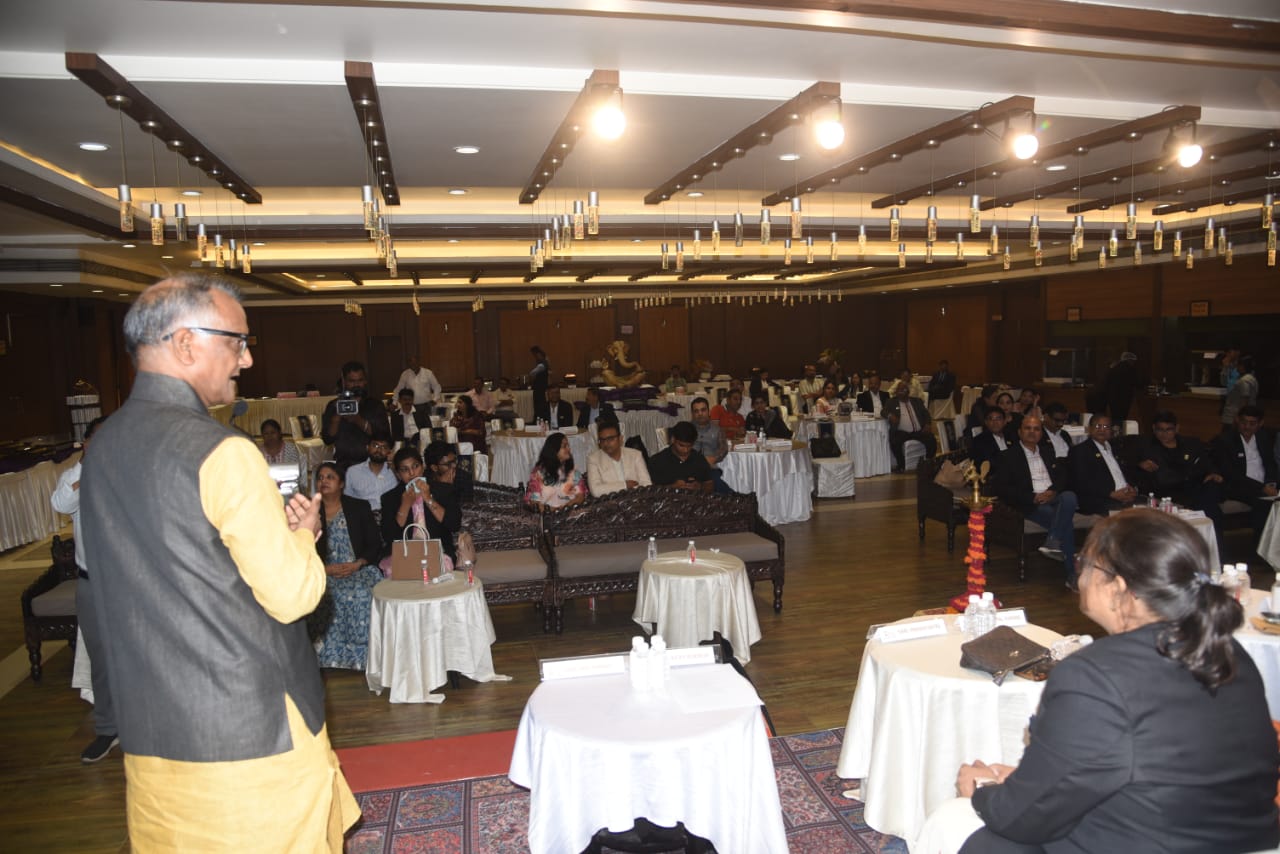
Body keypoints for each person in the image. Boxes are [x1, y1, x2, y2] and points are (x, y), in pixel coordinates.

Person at [79, 274, 358, 850]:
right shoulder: (224, 452)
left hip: (153, 724)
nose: (247, 359)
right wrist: (304, 537)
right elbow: (292, 595)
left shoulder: (104, 445)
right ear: (185, 343)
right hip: (249, 724)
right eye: (237, 341)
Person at [931, 511, 1279, 854]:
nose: (1079, 577)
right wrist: (1028, 784)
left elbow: (1021, 819)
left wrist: (982, 790)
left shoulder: (1093, 676)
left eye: (1085, 564)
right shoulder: (1229, 651)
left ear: (1118, 587)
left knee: (955, 822)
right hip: (1248, 839)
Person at [51, 416, 115, 763]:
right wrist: (86, 469)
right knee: (100, 659)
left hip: (129, 584)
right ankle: (108, 728)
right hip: (91, 582)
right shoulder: (74, 477)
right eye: (98, 439)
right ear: (87, 443)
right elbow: (61, 505)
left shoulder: (128, 471)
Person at [989, 415, 1080, 589]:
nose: (1032, 432)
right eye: (1028, 428)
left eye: (1036, 429)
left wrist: (1052, 491)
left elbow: (1062, 477)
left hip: (1052, 497)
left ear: (1041, 433)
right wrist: (1032, 497)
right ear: (1019, 432)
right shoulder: (1008, 456)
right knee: (1065, 522)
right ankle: (1071, 574)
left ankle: (1052, 540)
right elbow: (1001, 488)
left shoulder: (1048, 452)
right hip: (1031, 502)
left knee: (1069, 496)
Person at [308, 462, 383, 671]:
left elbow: (374, 544)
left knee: (361, 592)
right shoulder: (310, 511)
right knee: (329, 593)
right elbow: (299, 548)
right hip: (323, 570)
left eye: (330, 477)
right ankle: (329, 657)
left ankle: (365, 657)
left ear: (341, 483)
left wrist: (357, 564)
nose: (323, 481)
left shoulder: (358, 507)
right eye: (320, 478)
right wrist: (324, 570)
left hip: (356, 568)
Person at [1135, 410, 1226, 551]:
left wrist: (1213, 473)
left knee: (1211, 491)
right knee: (1210, 508)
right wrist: (1140, 465)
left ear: (1177, 428)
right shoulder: (1146, 446)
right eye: (1160, 430)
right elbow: (1135, 468)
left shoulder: (1191, 444)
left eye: (1169, 430)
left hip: (1195, 486)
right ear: (1153, 429)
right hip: (1169, 490)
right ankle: (1212, 550)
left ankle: (1214, 550)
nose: (1164, 434)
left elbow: (1207, 463)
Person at [381, 443, 461, 565]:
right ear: (398, 474)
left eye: (415, 466)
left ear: (423, 467)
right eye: (405, 470)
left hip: (438, 551)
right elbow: (389, 537)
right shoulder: (390, 498)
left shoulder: (443, 490)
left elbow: (454, 524)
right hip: (404, 553)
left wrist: (428, 499)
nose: (412, 473)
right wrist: (405, 505)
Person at [1212, 404, 1278, 539]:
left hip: (1264, 485)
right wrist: (1261, 488)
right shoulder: (1225, 440)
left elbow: (1270, 464)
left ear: (1260, 423)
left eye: (1252, 423)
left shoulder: (1264, 438)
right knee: (1264, 504)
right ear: (1237, 420)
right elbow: (1231, 474)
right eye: (1243, 422)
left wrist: (1271, 483)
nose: (1247, 427)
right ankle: (1262, 545)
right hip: (1238, 487)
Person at [321, 360, 391, 471]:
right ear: (344, 382)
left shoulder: (375, 405)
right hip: (343, 465)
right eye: (352, 381)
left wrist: (358, 420)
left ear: (365, 381)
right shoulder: (334, 405)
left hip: (371, 465)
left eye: (360, 380)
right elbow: (327, 439)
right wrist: (336, 419)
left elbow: (384, 436)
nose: (357, 385)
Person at [1067, 414, 1137, 516]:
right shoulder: (1080, 451)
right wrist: (1111, 494)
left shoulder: (1117, 448)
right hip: (1100, 500)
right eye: (1098, 426)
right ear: (1090, 429)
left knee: (1151, 509)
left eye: (1106, 427)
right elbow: (1081, 482)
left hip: (1126, 496)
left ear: (1111, 430)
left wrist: (1132, 489)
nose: (1102, 430)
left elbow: (1128, 472)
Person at [586, 420, 651, 496]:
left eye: (610, 439)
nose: (606, 443)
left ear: (620, 439)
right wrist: (625, 485)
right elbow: (596, 491)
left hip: (636, 499)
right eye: (602, 440)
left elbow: (647, 484)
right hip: (610, 502)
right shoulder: (593, 459)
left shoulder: (635, 455)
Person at [524, 432, 588, 509]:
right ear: (554, 450)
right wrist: (552, 511)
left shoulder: (573, 471)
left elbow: (580, 496)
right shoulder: (538, 473)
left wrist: (564, 509)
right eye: (564, 446)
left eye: (568, 445)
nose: (569, 449)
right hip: (545, 513)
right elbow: (534, 502)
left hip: (569, 512)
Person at [647, 421, 714, 492]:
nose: (685, 450)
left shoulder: (699, 459)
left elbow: (710, 485)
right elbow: (650, 490)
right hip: (667, 498)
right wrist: (672, 487)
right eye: (681, 445)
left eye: (690, 446)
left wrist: (700, 487)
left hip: (694, 498)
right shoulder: (657, 461)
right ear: (673, 439)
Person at [342, 432, 397, 519]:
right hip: (362, 517)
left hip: (389, 517)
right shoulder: (353, 472)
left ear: (389, 452)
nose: (379, 450)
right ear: (367, 447)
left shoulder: (395, 472)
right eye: (375, 445)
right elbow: (347, 500)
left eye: (384, 447)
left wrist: (394, 468)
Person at [886, 381, 937, 473]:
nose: (901, 392)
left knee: (931, 440)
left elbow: (926, 414)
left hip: (919, 431)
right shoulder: (891, 402)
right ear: (896, 392)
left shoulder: (917, 401)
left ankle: (928, 463)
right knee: (894, 441)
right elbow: (883, 411)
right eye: (899, 390)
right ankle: (901, 465)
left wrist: (927, 424)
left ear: (908, 392)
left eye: (903, 390)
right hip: (902, 432)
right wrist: (890, 415)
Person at [1090, 351, 1140, 430]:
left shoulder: (1114, 368)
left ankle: (1115, 431)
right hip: (1124, 398)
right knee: (1122, 418)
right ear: (1130, 360)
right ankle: (1120, 432)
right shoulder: (1130, 369)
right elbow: (1137, 382)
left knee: (1115, 418)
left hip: (1112, 398)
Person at [1222, 354, 1259, 429]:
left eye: (1238, 366)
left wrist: (1239, 417)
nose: (1236, 368)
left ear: (1242, 366)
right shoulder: (1252, 379)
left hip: (1234, 417)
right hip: (1240, 416)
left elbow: (1245, 401)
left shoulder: (1244, 380)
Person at [527, 345, 550, 417]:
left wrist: (530, 376)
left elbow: (532, 373)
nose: (535, 357)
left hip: (540, 388)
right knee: (539, 405)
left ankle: (539, 418)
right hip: (540, 388)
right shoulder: (544, 362)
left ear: (539, 354)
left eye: (535, 355)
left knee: (539, 406)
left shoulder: (542, 364)